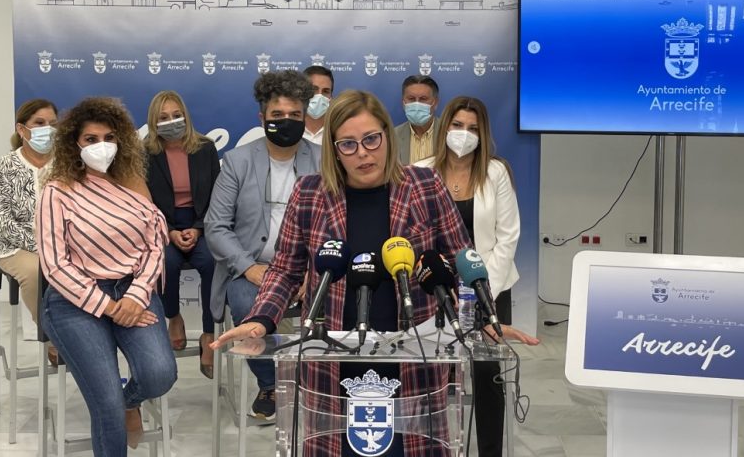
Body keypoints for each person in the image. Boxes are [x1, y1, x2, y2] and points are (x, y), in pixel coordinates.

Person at [212, 90, 536, 456]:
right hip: (333, 359)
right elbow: (286, 270)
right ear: (334, 150)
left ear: (386, 135)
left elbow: (461, 261)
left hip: (413, 359)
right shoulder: (309, 193)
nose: (363, 153)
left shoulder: (425, 186)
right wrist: (261, 320)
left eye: (371, 139)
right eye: (348, 144)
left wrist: (482, 317)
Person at [37, 97, 177, 455]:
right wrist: (110, 307)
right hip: (74, 301)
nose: (102, 146)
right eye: (91, 139)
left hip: (134, 291)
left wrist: (133, 297)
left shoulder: (133, 182)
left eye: (110, 137)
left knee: (160, 375)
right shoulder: (57, 190)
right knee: (107, 407)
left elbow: (154, 246)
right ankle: (118, 406)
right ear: (74, 144)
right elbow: (54, 265)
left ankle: (130, 400)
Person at [205, 70, 320, 421]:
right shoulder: (239, 161)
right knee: (245, 301)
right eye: (277, 116)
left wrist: (312, 270)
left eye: (295, 116)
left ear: (305, 116)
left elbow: (336, 224)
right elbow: (216, 225)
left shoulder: (323, 160)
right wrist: (248, 267)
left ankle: (319, 381)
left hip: (308, 267)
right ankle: (272, 383)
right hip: (249, 267)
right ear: (262, 118)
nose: (286, 122)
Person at [415, 96, 522, 457]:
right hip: (436, 290)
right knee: (431, 372)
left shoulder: (496, 172)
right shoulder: (421, 171)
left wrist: (480, 289)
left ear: (483, 133)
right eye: (457, 126)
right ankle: (430, 446)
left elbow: (508, 236)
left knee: (487, 374)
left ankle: (490, 451)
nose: (464, 134)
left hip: (490, 285)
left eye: (473, 129)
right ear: (444, 128)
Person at [144, 90, 220, 379]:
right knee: (166, 263)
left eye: (177, 115)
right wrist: (171, 231)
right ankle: (173, 318)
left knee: (213, 263)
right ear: (154, 122)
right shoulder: (144, 153)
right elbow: (144, 202)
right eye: (164, 118)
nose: (172, 121)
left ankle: (209, 334)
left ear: (186, 116)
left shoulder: (205, 148)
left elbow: (218, 195)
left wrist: (198, 228)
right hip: (164, 227)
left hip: (202, 224)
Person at [0, 98, 58, 359]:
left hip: (62, 242)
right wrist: (41, 245)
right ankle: (53, 337)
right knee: (35, 270)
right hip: (16, 247)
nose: (47, 129)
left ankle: (83, 332)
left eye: (52, 124)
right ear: (22, 129)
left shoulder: (66, 162)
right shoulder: (5, 166)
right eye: (39, 123)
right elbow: (3, 221)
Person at [393, 75, 441, 165]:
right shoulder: (392, 137)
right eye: (411, 99)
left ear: (435, 103)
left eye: (423, 99)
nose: (417, 104)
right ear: (403, 103)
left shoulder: (448, 134)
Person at [303, 64, 334, 145]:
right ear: (301, 92)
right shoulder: (291, 129)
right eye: (314, 89)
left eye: (326, 91)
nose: (319, 96)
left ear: (331, 97)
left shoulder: (338, 131)